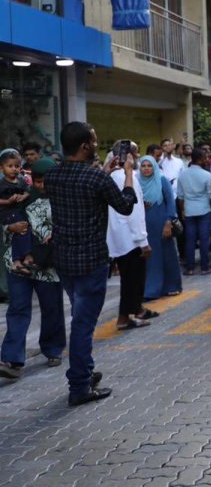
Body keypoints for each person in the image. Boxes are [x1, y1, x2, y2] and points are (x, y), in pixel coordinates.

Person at [44, 121, 137, 406]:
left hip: (64, 259)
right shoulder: (95, 179)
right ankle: (79, 385)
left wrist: (105, 173)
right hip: (91, 260)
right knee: (83, 325)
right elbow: (126, 205)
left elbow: (81, 191)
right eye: (94, 141)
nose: (97, 145)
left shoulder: (53, 175)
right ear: (85, 146)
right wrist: (128, 173)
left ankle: (84, 369)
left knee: (79, 315)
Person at [0, 158, 65, 380]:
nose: (41, 185)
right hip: (17, 263)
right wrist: (10, 227)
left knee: (52, 308)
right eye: (37, 181)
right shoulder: (20, 196)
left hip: (47, 265)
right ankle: (11, 359)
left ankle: (53, 349)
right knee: (18, 309)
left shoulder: (64, 200)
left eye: (46, 181)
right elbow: (4, 219)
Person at [106, 141, 155, 330]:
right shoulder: (128, 177)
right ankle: (124, 318)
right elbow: (134, 212)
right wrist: (143, 241)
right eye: (135, 153)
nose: (137, 156)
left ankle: (133, 311)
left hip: (118, 237)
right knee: (132, 280)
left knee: (128, 278)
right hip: (131, 239)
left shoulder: (110, 176)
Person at [139, 156, 181, 299]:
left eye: (149, 165)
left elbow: (171, 202)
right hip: (144, 225)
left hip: (161, 223)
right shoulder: (136, 182)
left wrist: (168, 222)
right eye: (143, 166)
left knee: (167, 255)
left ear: (154, 167)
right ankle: (151, 289)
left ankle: (171, 286)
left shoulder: (162, 180)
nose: (146, 169)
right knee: (150, 257)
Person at [177, 147, 211, 276]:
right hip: (204, 210)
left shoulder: (183, 175)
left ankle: (190, 268)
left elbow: (180, 196)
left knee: (190, 240)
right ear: (200, 159)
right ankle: (204, 267)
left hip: (189, 210)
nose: (207, 159)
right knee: (204, 239)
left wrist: (182, 210)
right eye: (205, 157)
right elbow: (210, 195)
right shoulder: (207, 175)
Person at [0, 149, 34, 274]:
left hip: (18, 211)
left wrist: (23, 196)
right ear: (1, 168)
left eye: (17, 166)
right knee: (23, 228)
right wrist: (7, 201)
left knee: (19, 233)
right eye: (10, 166)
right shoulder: (1, 183)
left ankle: (17, 262)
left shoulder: (21, 180)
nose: (14, 169)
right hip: (6, 214)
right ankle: (27, 256)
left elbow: (27, 191)